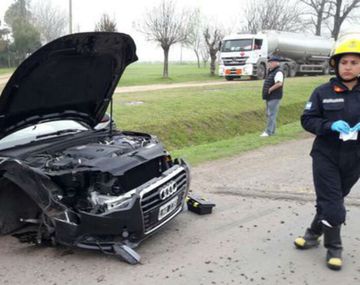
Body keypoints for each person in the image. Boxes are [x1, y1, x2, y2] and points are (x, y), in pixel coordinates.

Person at [294, 33, 360, 271]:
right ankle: (335, 248)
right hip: (326, 155)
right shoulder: (322, 92)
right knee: (333, 203)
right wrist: (329, 125)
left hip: (355, 157)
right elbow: (307, 120)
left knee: (331, 200)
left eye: (354, 62)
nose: (348, 67)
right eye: (344, 62)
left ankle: (312, 233)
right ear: (336, 64)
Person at [260, 56, 284, 137]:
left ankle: (268, 132)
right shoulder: (271, 71)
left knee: (271, 114)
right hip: (269, 96)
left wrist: (270, 89)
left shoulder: (278, 72)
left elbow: (279, 83)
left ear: (275, 63)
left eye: (270, 62)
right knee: (269, 114)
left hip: (274, 96)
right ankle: (272, 131)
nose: (269, 64)